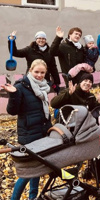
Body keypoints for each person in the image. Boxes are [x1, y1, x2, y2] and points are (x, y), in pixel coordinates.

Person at [1, 59, 52, 200]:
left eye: (42, 72)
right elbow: (12, 111)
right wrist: (13, 94)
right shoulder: (21, 87)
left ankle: (32, 197)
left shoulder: (44, 87)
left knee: (38, 169)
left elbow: (44, 111)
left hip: (42, 133)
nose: (39, 75)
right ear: (30, 70)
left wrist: (49, 128)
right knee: (28, 172)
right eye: (36, 72)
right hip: (29, 134)